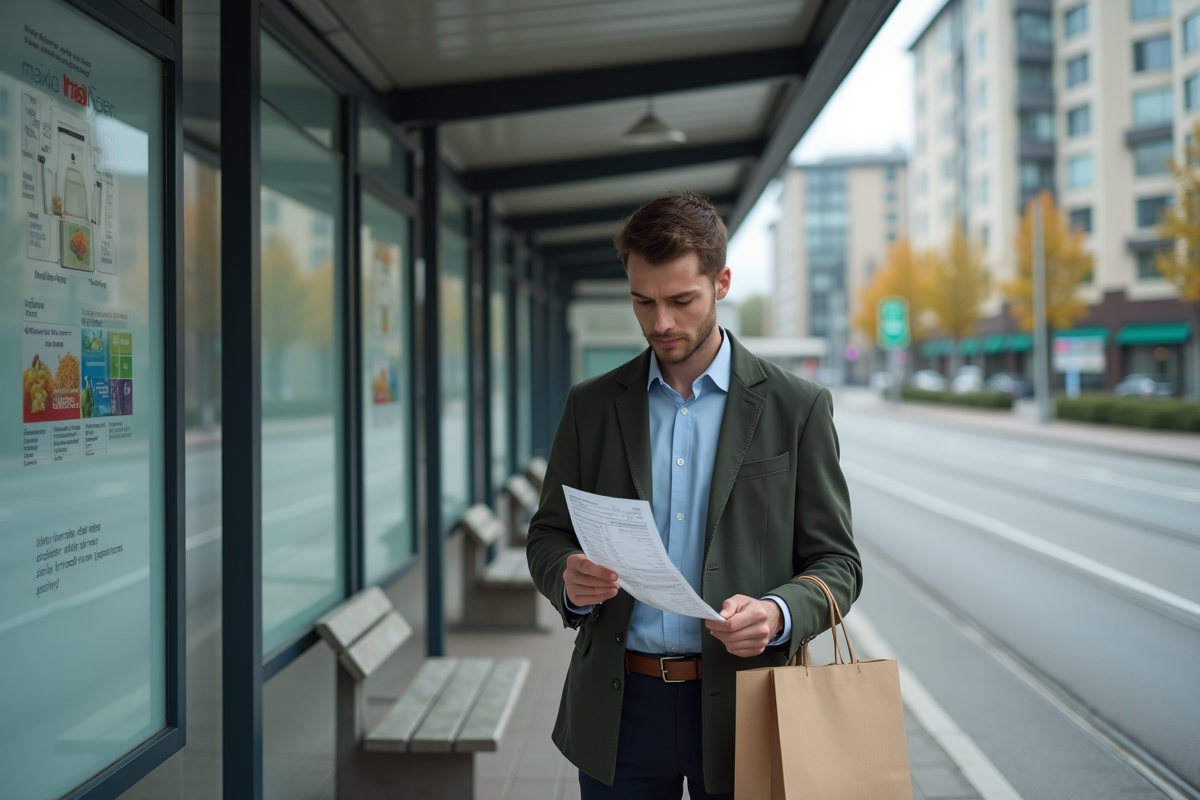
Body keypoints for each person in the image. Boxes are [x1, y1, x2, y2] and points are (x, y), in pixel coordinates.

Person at [526, 192, 861, 799]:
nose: (660, 323)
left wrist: (779, 613)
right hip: (618, 709)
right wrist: (567, 582)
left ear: (722, 281)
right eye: (643, 301)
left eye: (681, 301)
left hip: (747, 704)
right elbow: (548, 534)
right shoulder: (592, 406)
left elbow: (839, 564)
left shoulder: (798, 408)